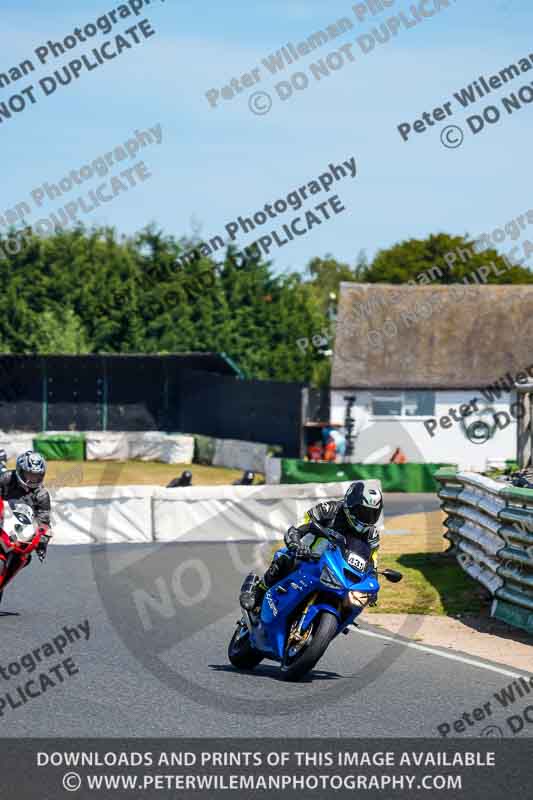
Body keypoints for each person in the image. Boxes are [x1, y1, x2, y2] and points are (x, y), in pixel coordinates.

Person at [240, 481, 383, 611]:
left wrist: (371, 586)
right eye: (363, 512)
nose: (367, 518)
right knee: (284, 559)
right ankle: (258, 593)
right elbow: (299, 527)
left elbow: (372, 564)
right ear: (350, 504)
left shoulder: (372, 536)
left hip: (339, 573)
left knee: (353, 605)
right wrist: (296, 544)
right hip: (308, 557)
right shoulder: (329, 510)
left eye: (372, 514)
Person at [0, 451, 51, 564]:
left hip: (19, 531)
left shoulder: (42, 494)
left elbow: (44, 521)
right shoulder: (6, 478)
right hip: (2, 519)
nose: (32, 479)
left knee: (24, 559)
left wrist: (41, 544)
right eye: (29, 474)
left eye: (36, 476)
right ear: (20, 471)